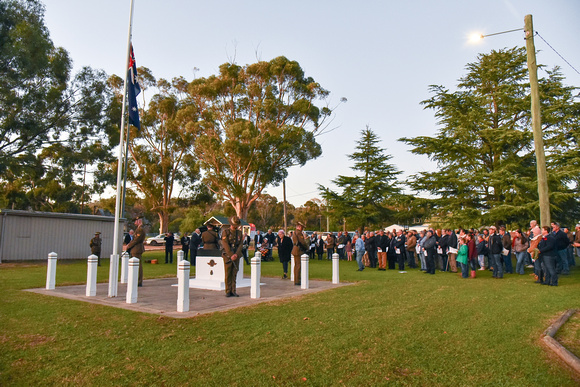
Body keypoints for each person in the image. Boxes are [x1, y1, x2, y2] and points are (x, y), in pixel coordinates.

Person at [221, 216, 243, 297]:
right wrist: (231, 255)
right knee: (228, 273)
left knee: (234, 273)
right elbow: (225, 244)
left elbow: (240, 244)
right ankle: (228, 290)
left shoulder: (239, 233)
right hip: (228, 256)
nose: (235, 226)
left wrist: (236, 254)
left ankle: (233, 290)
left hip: (236, 255)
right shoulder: (226, 232)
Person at [125, 217, 146, 287]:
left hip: (137, 249)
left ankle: (138, 281)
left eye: (135, 221)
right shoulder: (138, 229)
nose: (134, 223)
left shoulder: (140, 230)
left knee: (138, 265)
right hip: (135, 249)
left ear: (139, 221)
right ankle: (136, 280)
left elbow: (137, 240)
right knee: (136, 265)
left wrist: (129, 245)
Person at [292, 221, 310, 286]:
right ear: (299, 227)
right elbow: (302, 242)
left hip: (295, 249)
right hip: (298, 250)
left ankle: (296, 279)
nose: (302, 229)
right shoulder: (299, 233)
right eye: (302, 227)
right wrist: (307, 247)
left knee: (296, 265)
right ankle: (297, 280)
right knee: (298, 266)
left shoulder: (295, 232)